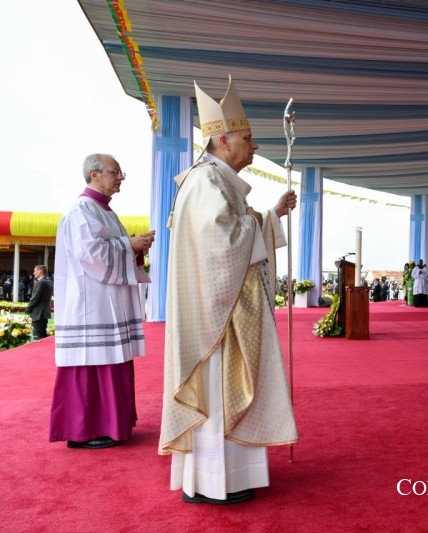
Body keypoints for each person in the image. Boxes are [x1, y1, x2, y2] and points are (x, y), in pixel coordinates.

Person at [160, 76, 298, 505]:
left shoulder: (216, 182)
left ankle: (230, 476)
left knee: (226, 393)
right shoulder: (205, 182)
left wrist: (269, 215)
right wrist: (262, 221)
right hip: (215, 320)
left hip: (227, 309)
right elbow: (221, 241)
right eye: (248, 138)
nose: (254, 146)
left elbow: (234, 231)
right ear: (222, 142)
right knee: (218, 393)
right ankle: (214, 481)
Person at [50, 153, 154, 450]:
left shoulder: (104, 211)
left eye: (121, 172)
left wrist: (134, 247)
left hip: (105, 302)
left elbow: (107, 249)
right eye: (115, 172)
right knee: (91, 364)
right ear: (94, 174)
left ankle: (110, 424)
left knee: (112, 361)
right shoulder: (82, 210)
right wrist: (128, 244)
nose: (120, 177)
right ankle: (83, 430)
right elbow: (91, 254)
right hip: (89, 305)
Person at [25, 264, 53, 340]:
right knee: (43, 335)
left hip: (38, 313)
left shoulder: (41, 282)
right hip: (44, 313)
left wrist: (27, 310)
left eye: (35, 271)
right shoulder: (49, 281)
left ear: (40, 271)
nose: (33, 273)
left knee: (38, 337)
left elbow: (35, 298)